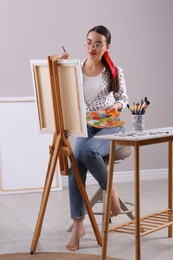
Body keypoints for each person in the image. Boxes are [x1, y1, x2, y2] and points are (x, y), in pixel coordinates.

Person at [61, 25, 128, 251]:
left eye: (98, 43)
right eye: (89, 42)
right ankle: (78, 223)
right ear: (85, 43)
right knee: (75, 162)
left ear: (107, 47)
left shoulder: (114, 71)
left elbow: (123, 99)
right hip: (86, 126)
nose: (92, 47)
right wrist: (62, 67)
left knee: (85, 152)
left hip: (110, 125)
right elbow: (63, 90)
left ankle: (110, 189)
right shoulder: (76, 68)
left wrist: (112, 109)